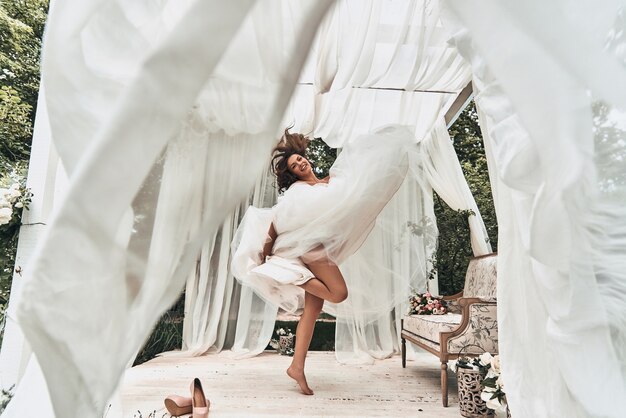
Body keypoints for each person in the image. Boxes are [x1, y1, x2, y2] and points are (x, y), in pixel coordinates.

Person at [231, 125, 415, 395]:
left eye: (301, 159)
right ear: (293, 174)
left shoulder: (328, 183)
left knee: (311, 313)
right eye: (295, 165)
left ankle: (297, 366)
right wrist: (266, 253)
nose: (301, 163)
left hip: (319, 250)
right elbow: (276, 221)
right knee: (338, 293)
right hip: (310, 250)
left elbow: (357, 187)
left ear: (307, 160)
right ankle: (289, 275)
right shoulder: (298, 191)